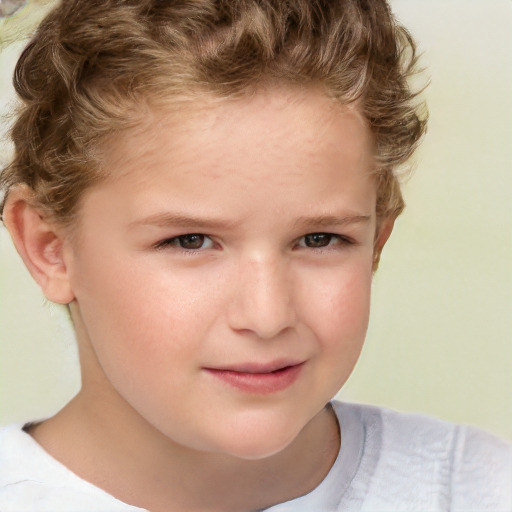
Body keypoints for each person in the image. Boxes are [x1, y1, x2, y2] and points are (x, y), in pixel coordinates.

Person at [0, 0, 510, 510]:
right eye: (189, 241)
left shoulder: (478, 488)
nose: (267, 317)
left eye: (319, 239)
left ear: (377, 239)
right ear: (51, 249)